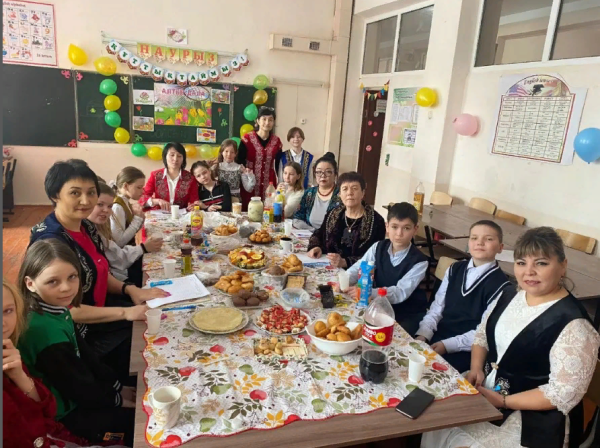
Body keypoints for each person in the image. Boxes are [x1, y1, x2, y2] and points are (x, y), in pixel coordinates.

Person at [422, 227, 600, 448]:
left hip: (533, 416)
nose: (529, 272)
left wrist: (504, 401)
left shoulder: (575, 325)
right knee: (435, 419)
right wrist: (476, 368)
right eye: (521, 263)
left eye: (541, 263)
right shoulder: (509, 294)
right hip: (489, 390)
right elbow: (482, 335)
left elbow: (561, 394)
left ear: (563, 266)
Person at [29, 159, 166, 377]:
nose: (86, 201)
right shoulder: (52, 242)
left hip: (101, 307)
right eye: (75, 193)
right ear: (55, 195)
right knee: (149, 343)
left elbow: (100, 271)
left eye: (91, 192)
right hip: (77, 335)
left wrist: (130, 289)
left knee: (160, 314)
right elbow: (65, 310)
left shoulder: (86, 226)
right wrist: (126, 312)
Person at [18, 239, 136, 447]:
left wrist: (117, 387)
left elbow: (85, 354)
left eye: (72, 277)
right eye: (53, 281)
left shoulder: (54, 307)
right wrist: (117, 400)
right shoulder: (42, 331)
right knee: (135, 428)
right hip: (66, 415)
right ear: (30, 284)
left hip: (81, 393)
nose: (66, 288)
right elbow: (77, 386)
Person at [3, 279, 90, 448]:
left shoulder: (9, 349)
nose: (3, 322)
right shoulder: (43, 332)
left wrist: (19, 376)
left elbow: (48, 409)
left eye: (8, 311)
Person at [415, 220, 511, 372]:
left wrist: (447, 345)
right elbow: (437, 308)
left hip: (467, 349)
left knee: (430, 373)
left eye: (488, 239)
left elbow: (483, 333)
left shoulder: (502, 286)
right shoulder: (454, 269)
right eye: (474, 238)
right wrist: (424, 334)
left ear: (500, 247)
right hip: (438, 334)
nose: (480, 242)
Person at [342, 202, 428, 336]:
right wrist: (343, 281)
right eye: (394, 227)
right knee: (350, 327)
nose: (399, 234)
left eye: (406, 228)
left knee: (386, 338)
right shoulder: (378, 247)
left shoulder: (420, 261)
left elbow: (400, 292)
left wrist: (368, 292)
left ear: (415, 229)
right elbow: (359, 267)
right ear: (387, 226)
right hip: (379, 307)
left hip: (406, 315)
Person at [307, 171, 385, 269]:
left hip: (359, 273)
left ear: (363, 193)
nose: (349, 193)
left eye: (354, 188)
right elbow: (319, 233)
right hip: (328, 267)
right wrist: (316, 247)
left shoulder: (376, 221)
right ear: (340, 194)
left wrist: (345, 262)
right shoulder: (333, 213)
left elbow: (376, 255)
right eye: (345, 189)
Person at [90, 183, 162, 287]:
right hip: (117, 278)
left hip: (120, 271)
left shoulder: (97, 228)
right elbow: (120, 245)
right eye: (100, 204)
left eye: (109, 206)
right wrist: (143, 247)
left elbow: (116, 254)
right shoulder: (118, 207)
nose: (106, 210)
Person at [235, 107, 282, 207]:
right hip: (250, 182)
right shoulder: (247, 139)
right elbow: (239, 161)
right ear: (258, 121)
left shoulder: (276, 141)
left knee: (269, 208)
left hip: (269, 183)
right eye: (264, 119)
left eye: (270, 120)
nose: (267, 122)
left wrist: (280, 183)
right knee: (249, 209)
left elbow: (279, 164)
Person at [139, 142, 199, 211]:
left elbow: (194, 201)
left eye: (179, 156)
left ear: (183, 159)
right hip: (159, 214)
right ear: (165, 156)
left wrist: (193, 206)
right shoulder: (155, 175)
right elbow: (143, 197)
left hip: (181, 214)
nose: (175, 159)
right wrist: (157, 201)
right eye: (172, 155)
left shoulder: (190, 178)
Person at [293, 153, 342, 230]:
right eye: (319, 172)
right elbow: (297, 218)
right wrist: (314, 232)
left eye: (328, 172)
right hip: (310, 234)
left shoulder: (342, 195)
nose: (323, 175)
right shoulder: (309, 193)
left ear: (335, 174)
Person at [110, 166, 146, 248]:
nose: (142, 191)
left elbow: (131, 231)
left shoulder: (126, 202)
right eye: (139, 187)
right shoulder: (117, 207)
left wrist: (141, 219)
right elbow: (119, 242)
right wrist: (137, 219)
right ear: (126, 186)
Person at [216, 138, 255, 204]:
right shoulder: (216, 167)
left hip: (235, 201)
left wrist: (250, 175)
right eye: (226, 151)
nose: (229, 154)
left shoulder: (239, 168)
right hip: (220, 199)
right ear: (222, 152)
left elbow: (248, 189)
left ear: (236, 153)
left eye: (232, 152)